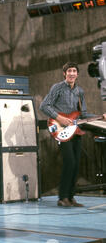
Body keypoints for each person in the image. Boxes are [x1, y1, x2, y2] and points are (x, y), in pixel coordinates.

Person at [39, 62, 106, 207]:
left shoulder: (79, 92)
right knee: (69, 162)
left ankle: (71, 197)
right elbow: (44, 105)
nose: (71, 73)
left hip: (75, 130)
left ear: (77, 74)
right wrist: (59, 117)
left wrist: (101, 116)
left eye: (74, 71)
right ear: (64, 73)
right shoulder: (57, 88)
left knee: (76, 164)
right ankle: (62, 198)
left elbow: (83, 114)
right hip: (60, 129)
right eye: (69, 71)